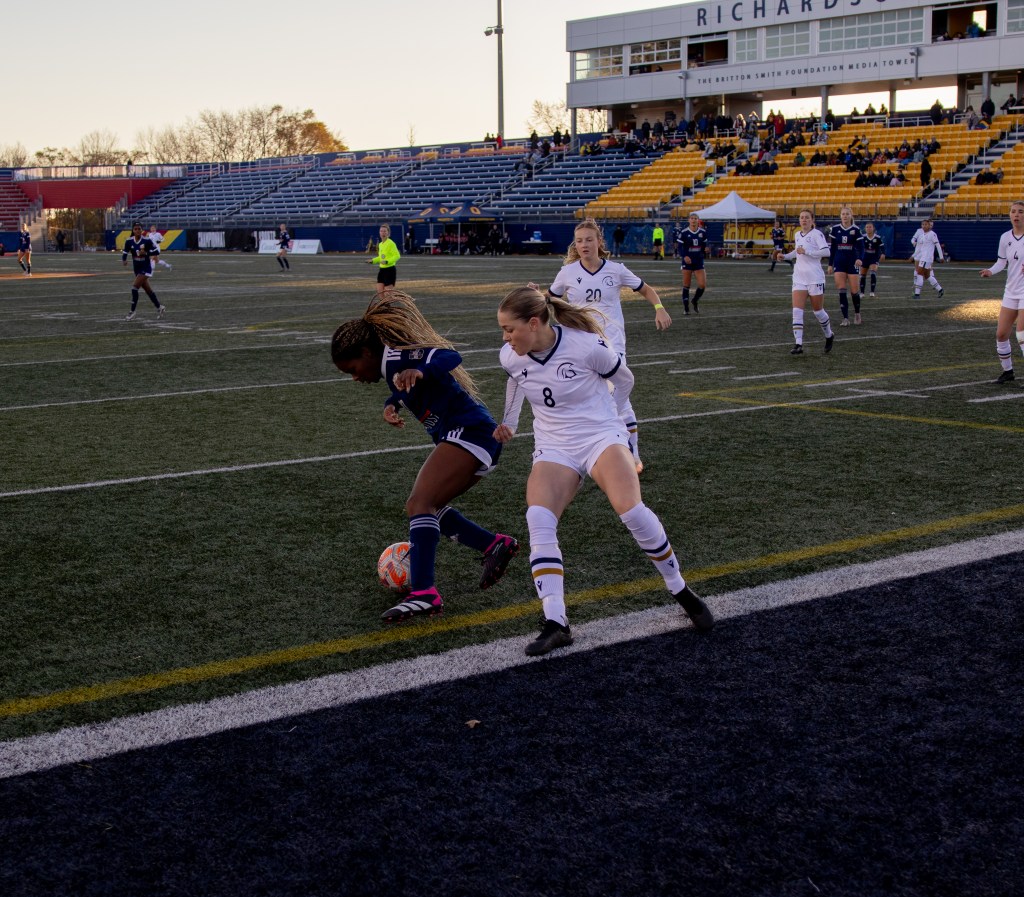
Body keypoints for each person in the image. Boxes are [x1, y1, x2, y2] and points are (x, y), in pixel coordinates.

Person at [494, 286, 713, 656]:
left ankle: (680, 589)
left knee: (631, 510)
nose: (505, 338)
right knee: (538, 518)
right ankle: (556, 621)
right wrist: (509, 423)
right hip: (554, 445)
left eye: (509, 329)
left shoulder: (584, 345)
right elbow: (516, 380)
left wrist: (615, 414)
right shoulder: (510, 355)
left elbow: (624, 379)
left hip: (600, 435)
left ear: (533, 323)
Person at [331, 291, 519, 621]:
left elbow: (449, 356)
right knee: (431, 508)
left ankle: (424, 593)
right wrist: (392, 402)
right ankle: (494, 545)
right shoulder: (391, 367)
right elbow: (406, 386)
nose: (355, 377)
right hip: (469, 436)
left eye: (353, 369)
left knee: (419, 503)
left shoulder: (398, 357)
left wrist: (420, 371)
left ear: (366, 352)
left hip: (469, 432)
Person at [532, 217, 671, 474]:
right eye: (579, 241)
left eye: (589, 239)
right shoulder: (568, 272)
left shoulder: (616, 270)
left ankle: (633, 455)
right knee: (587, 397)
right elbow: (549, 299)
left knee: (617, 397)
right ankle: (588, 449)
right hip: (579, 345)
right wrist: (535, 294)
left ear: (599, 242)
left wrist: (659, 308)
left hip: (612, 344)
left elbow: (646, 289)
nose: (584, 245)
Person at [775, 209, 834, 355]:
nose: (804, 220)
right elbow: (797, 251)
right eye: (802, 217)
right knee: (796, 311)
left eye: (807, 217)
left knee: (818, 311)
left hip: (815, 277)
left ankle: (829, 335)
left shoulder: (817, 234)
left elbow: (826, 252)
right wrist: (785, 256)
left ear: (812, 220)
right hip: (799, 277)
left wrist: (807, 252)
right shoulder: (797, 235)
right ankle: (798, 344)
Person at [979, 200, 1024, 384]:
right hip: (1011, 290)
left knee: (1021, 334)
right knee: (1001, 334)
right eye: (1013, 211)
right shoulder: (1005, 237)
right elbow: (1001, 262)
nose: (1016, 215)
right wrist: (991, 271)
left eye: (1020, 211)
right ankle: (1008, 372)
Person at [121, 221, 165, 321]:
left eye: (139, 229)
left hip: (146, 268)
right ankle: (160, 307)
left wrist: (146, 253)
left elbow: (156, 251)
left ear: (142, 230)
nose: (137, 230)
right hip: (137, 268)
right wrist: (124, 259)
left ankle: (132, 312)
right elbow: (125, 251)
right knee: (148, 290)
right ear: (133, 230)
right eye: (135, 229)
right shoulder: (129, 241)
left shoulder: (147, 240)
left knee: (134, 288)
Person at [827, 207, 864, 326]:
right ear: (840, 216)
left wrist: (859, 258)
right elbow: (833, 248)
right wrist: (830, 264)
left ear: (851, 215)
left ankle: (857, 313)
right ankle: (845, 318)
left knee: (854, 291)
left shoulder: (856, 230)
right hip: (839, 262)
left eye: (847, 214)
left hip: (853, 262)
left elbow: (861, 247)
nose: (845, 216)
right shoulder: (835, 229)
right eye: (843, 214)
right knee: (841, 289)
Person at [677, 213, 708, 315]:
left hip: (698, 261)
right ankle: (686, 308)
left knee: (702, 285)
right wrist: (684, 256)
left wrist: (706, 249)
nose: (693, 220)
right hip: (687, 262)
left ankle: (695, 300)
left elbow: (704, 246)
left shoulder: (703, 232)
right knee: (686, 285)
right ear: (688, 220)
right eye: (692, 218)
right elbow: (679, 248)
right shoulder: (684, 233)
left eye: (695, 218)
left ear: (698, 220)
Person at [910, 219, 944, 299]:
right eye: (923, 224)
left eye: (926, 224)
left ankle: (917, 294)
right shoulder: (922, 235)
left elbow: (938, 245)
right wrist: (913, 256)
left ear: (929, 226)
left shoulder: (932, 234)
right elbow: (920, 248)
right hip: (923, 258)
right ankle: (940, 290)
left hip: (927, 258)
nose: (924, 226)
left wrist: (941, 257)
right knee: (927, 276)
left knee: (919, 273)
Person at [367, 224, 401, 295]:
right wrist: (373, 260)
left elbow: (397, 256)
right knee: (380, 292)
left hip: (390, 270)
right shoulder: (380, 244)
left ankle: (395, 300)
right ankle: (389, 302)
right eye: (381, 231)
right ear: (379, 232)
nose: (383, 233)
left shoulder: (391, 243)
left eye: (385, 231)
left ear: (388, 233)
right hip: (382, 271)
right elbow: (381, 257)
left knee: (387, 294)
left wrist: (387, 262)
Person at [859, 221, 885, 300]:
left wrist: (883, 254)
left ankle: (872, 292)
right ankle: (862, 293)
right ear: (865, 228)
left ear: (873, 228)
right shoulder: (862, 237)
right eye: (867, 227)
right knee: (862, 275)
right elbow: (859, 247)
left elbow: (882, 246)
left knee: (873, 273)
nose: (868, 228)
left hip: (874, 257)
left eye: (870, 227)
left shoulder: (877, 237)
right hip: (865, 257)